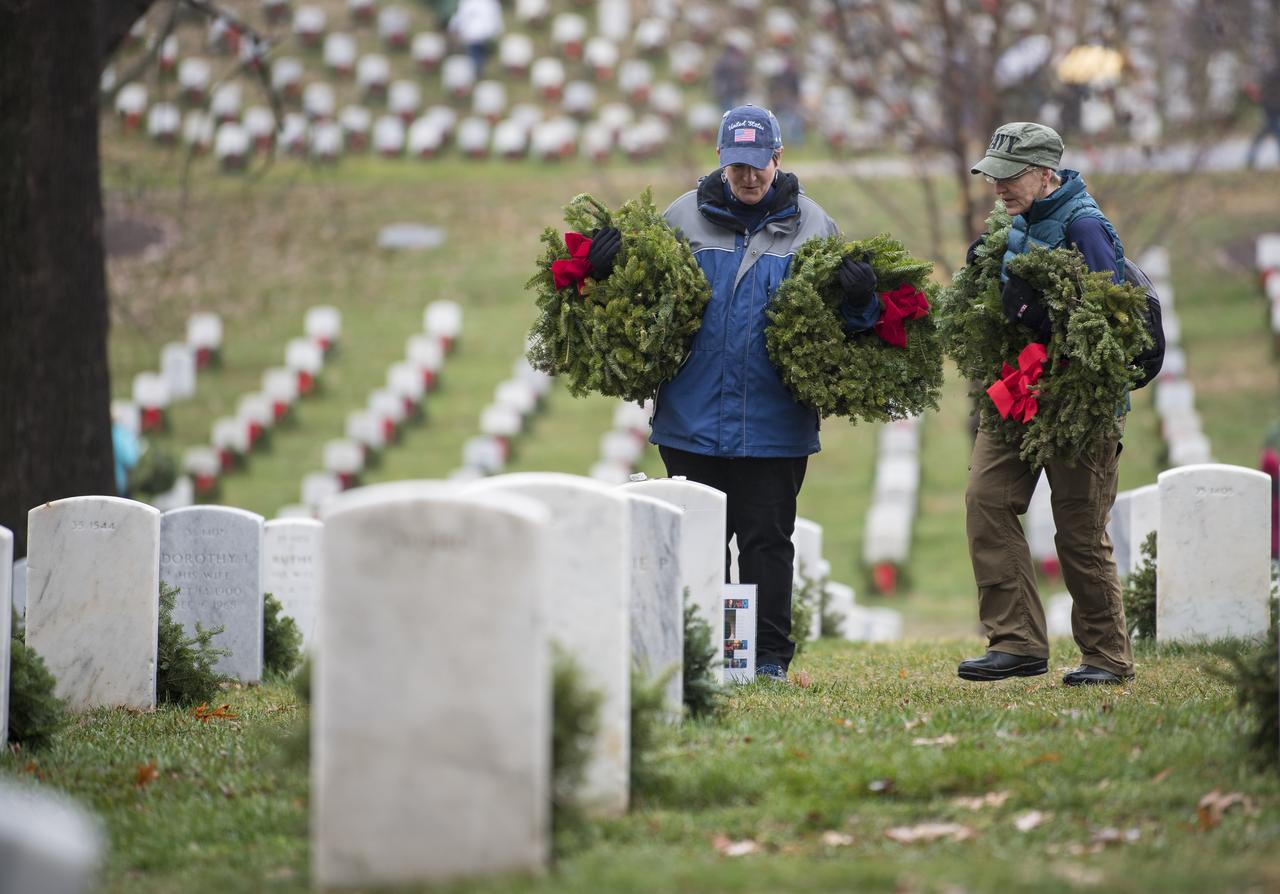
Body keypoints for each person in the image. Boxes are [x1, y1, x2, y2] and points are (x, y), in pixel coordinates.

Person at [588, 105, 880, 683]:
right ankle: (698, 656)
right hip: (692, 418)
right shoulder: (682, 219)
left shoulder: (813, 228)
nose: (748, 178)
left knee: (767, 543)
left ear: (778, 158)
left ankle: (768, 660)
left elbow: (842, 335)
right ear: (721, 161)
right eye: (736, 166)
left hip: (775, 425)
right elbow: (640, 301)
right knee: (698, 542)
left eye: (758, 165)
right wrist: (606, 271)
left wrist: (860, 302)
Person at [958, 121, 1136, 687]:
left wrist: (1038, 315)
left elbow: (1112, 321)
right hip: (1021, 386)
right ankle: (1017, 642)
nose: (1000, 188)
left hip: (1078, 401)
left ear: (1046, 174)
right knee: (986, 497)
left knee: (1079, 531)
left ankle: (1107, 657)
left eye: (1010, 177)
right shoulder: (1023, 220)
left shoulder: (1085, 226)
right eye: (994, 177)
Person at [448, 0, 502, 78]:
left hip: (478, 37)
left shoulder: (466, 2)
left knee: (476, 55)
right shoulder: (490, 3)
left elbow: (458, 19)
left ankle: (477, 71)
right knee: (475, 55)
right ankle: (477, 72)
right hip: (478, 36)